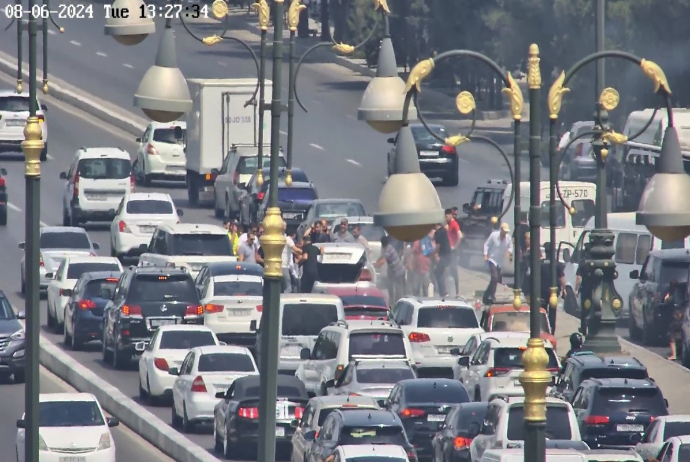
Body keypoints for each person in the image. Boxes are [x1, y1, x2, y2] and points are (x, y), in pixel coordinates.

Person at [482, 223, 513, 305]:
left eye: (506, 232)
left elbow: (510, 247)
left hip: (500, 261)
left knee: (495, 280)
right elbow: (486, 245)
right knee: (494, 277)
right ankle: (492, 296)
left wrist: (509, 252)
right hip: (492, 259)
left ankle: (486, 295)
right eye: (504, 231)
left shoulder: (508, 238)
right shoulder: (494, 235)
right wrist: (485, 255)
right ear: (501, 230)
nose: (505, 234)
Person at [540, 241, 566, 333]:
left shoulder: (541, 263)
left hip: (542, 292)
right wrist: (564, 290)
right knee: (552, 313)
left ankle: (543, 330)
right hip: (553, 292)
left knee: (542, 312)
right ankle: (551, 331)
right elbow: (562, 278)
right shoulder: (557, 264)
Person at [375, 235, 406, 304]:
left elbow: (382, 261)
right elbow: (381, 257)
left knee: (399, 291)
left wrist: (374, 266)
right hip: (394, 272)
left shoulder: (388, 249)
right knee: (391, 290)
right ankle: (392, 303)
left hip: (399, 272)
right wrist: (375, 263)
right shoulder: (385, 248)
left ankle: (398, 304)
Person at [664, 279, 684, 360]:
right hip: (683, 316)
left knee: (672, 337)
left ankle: (674, 354)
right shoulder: (682, 294)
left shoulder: (674, 294)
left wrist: (667, 296)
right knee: (682, 335)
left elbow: (667, 301)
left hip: (676, 317)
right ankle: (681, 353)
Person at [432, 222, 452, 297]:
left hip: (444, 256)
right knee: (442, 272)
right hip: (448, 255)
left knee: (437, 272)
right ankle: (444, 291)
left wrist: (431, 254)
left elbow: (437, 247)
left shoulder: (438, 233)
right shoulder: (443, 230)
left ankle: (443, 292)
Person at [281, 222, 302, 293]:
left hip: (279, 266)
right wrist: (306, 251)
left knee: (282, 286)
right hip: (283, 266)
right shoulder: (288, 240)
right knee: (288, 287)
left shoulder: (281, 238)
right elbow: (295, 249)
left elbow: (291, 251)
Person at [445, 208, 462, 295]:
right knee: (448, 270)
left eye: (446, 216)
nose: (445, 218)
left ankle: (456, 291)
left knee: (453, 270)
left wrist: (455, 246)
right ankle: (450, 289)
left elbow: (460, 236)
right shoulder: (449, 224)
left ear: (450, 215)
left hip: (452, 252)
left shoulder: (454, 224)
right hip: (449, 251)